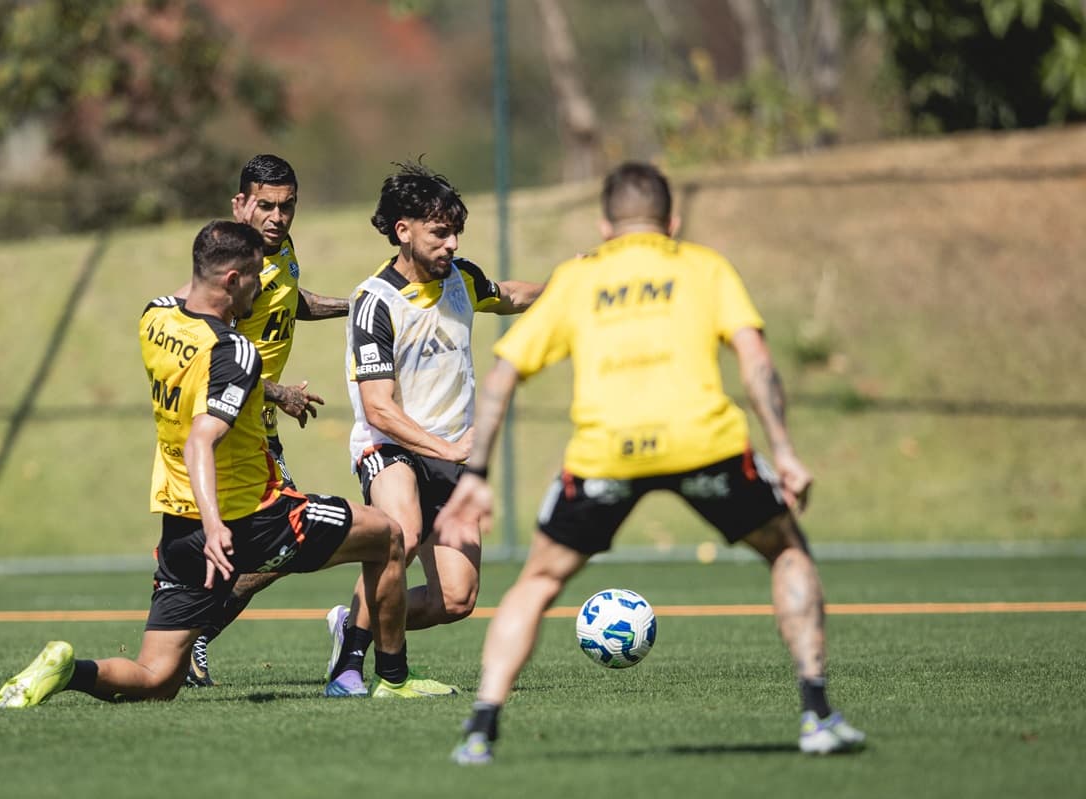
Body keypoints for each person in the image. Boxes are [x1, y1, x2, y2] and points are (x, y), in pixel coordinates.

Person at [438, 162, 867, 763]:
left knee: (537, 582)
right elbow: (756, 359)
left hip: (607, 452)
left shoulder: (578, 278)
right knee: (786, 548)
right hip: (706, 445)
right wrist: (786, 452)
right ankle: (817, 715)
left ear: (605, 225)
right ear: (673, 222)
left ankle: (481, 729)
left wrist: (477, 476)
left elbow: (506, 374)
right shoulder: (704, 267)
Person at [0, 220, 453, 709]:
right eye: (256, 277)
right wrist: (217, 526)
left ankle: (67, 671)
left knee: (156, 679)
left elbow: (186, 299)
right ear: (233, 280)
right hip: (253, 515)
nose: (264, 286)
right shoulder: (235, 351)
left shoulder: (155, 319)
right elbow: (200, 441)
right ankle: (393, 676)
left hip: (180, 527)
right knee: (387, 536)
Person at [321, 161, 544, 697]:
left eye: (455, 232)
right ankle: (352, 667)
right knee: (400, 532)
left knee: (457, 600)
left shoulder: (462, 278)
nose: (451, 243)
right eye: (440, 232)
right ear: (404, 230)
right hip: (391, 447)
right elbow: (378, 408)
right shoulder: (375, 301)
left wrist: (572, 286)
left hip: (450, 457)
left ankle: (350, 625)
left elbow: (508, 295)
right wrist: (447, 447)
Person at [181, 154, 350, 688]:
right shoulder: (231, 268)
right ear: (241, 204)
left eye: (287, 206)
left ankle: (187, 636)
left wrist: (364, 304)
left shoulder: (277, 252)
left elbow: (289, 303)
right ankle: (190, 635)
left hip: (260, 426)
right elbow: (211, 350)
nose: (278, 217)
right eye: (266, 206)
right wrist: (277, 392)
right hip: (234, 426)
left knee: (267, 546)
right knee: (277, 544)